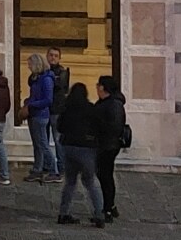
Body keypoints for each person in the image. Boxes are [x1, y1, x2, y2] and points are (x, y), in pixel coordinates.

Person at [53, 81, 105, 226]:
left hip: (69, 147)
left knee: (70, 182)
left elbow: (60, 127)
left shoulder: (66, 108)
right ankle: (99, 214)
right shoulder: (90, 109)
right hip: (86, 148)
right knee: (90, 182)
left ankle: (63, 213)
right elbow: (98, 127)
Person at [92, 74, 127, 219]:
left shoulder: (112, 105)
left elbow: (111, 126)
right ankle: (110, 205)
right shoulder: (108, 103)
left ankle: (107, 207)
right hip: (107, 144)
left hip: (107, 145)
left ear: (103, 88)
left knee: (105, 175)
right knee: (105, 175)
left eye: (98, 85)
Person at [24, 53, 58, 181]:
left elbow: (48, 100)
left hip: (40, 115)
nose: (28, 67)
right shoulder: (37, 78)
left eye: (30, 64)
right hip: (33, 114)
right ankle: (37, 169)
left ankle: (54, 170)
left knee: (43, 143)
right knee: (37, 144)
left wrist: (32, 104)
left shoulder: (46, 79)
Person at [43, 48, 71, 180]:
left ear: (59, 58)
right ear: (47, 56)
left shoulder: (62, 72)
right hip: (44, 110)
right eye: (51, 55)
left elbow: (59, 85)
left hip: (56, 111)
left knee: (58, 140)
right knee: (44, 139)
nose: (53, 58)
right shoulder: (44, 71)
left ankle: (61, 166)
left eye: (56, 56)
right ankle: (47, 164)